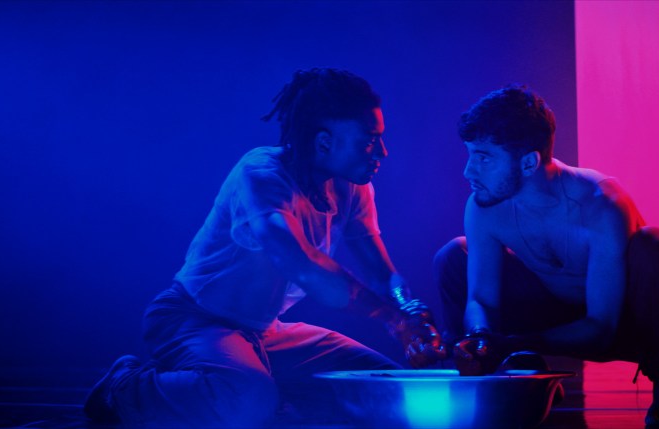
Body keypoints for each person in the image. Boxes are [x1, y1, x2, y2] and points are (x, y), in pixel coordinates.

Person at [84, 68, 445, 428]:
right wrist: (389, 318)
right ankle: (124, 387)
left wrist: (408, 311)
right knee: (245, 402)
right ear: (323, 143)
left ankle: (255, 387)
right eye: (369, 140)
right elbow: (304, 266)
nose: (381, 151)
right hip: (193, 318)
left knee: (391, 386)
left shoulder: (353, 187)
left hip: (267, 333)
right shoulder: (261, 174)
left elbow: (383, 272)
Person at [434, 85, 659, 428]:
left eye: (484, 158)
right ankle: (521, 375)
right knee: (454, 254)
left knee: (655, 245)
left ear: (529, 162)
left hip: (620, 322)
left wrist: (515, 341)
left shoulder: (601, 204)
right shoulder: (485, 205)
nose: (469, 171)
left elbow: (602, 327)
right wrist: (481, 338)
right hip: (550, 313)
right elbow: (481, 298)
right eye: (470, 155)